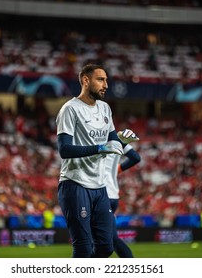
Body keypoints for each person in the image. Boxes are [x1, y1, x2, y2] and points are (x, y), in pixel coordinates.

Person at [56, 63, 138, 258]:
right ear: (85, 80)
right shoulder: (70, 109)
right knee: (83, 246)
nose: (106, 84)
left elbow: (112, 142)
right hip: (75, 184)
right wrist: (100, 148)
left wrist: (122, 140)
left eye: (106, 80)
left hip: (100, 187)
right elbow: (64, 150)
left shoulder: (105, 108)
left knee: (106, 246)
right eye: (101, 79)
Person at [104, 132, 141, 258]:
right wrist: (118, 168)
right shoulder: (118, 138)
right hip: (113, 195)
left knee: (103, 240)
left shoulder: (95, 138)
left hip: (100, 194)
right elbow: (135, 157)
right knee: (110, 238)